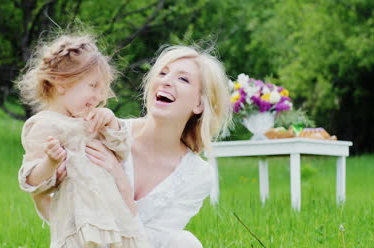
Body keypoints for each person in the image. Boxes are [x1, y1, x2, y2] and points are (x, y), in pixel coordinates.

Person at [33, 45, 232, 248]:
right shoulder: (105, 131)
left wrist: (121, 182)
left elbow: (151, 243)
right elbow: (69, 216)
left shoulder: (197, 175)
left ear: (199, 104)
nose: (166, 81)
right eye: (162, 73)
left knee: (186, 243)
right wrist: (41, 192)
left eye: (183, 79)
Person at [16, 33, 151, 248]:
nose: (98, 96)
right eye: (93, 86)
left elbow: (122, 151)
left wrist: (111, 122)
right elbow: (31, 181)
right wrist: (50, 162)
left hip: (113, 220)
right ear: (61, 83)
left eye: (102, 89)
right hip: (79, 225)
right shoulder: (44, 125)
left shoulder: (91, 119)